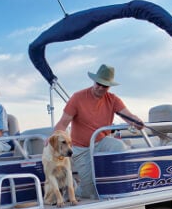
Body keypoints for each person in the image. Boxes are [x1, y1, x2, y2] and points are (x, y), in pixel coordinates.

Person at [52, 64, 144, 199]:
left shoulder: (113, 99)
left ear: (109, 86)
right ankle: (76, 189)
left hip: (101, 142)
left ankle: (120, 188)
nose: (100, 87)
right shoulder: (77, 97)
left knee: (118, 146)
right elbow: (63, 122)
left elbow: (129, 116)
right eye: (98, 83)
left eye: (105, 86)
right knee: (91, 191)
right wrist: (54, 138)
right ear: (93, 81)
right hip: (81, 148)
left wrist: (137, 122)